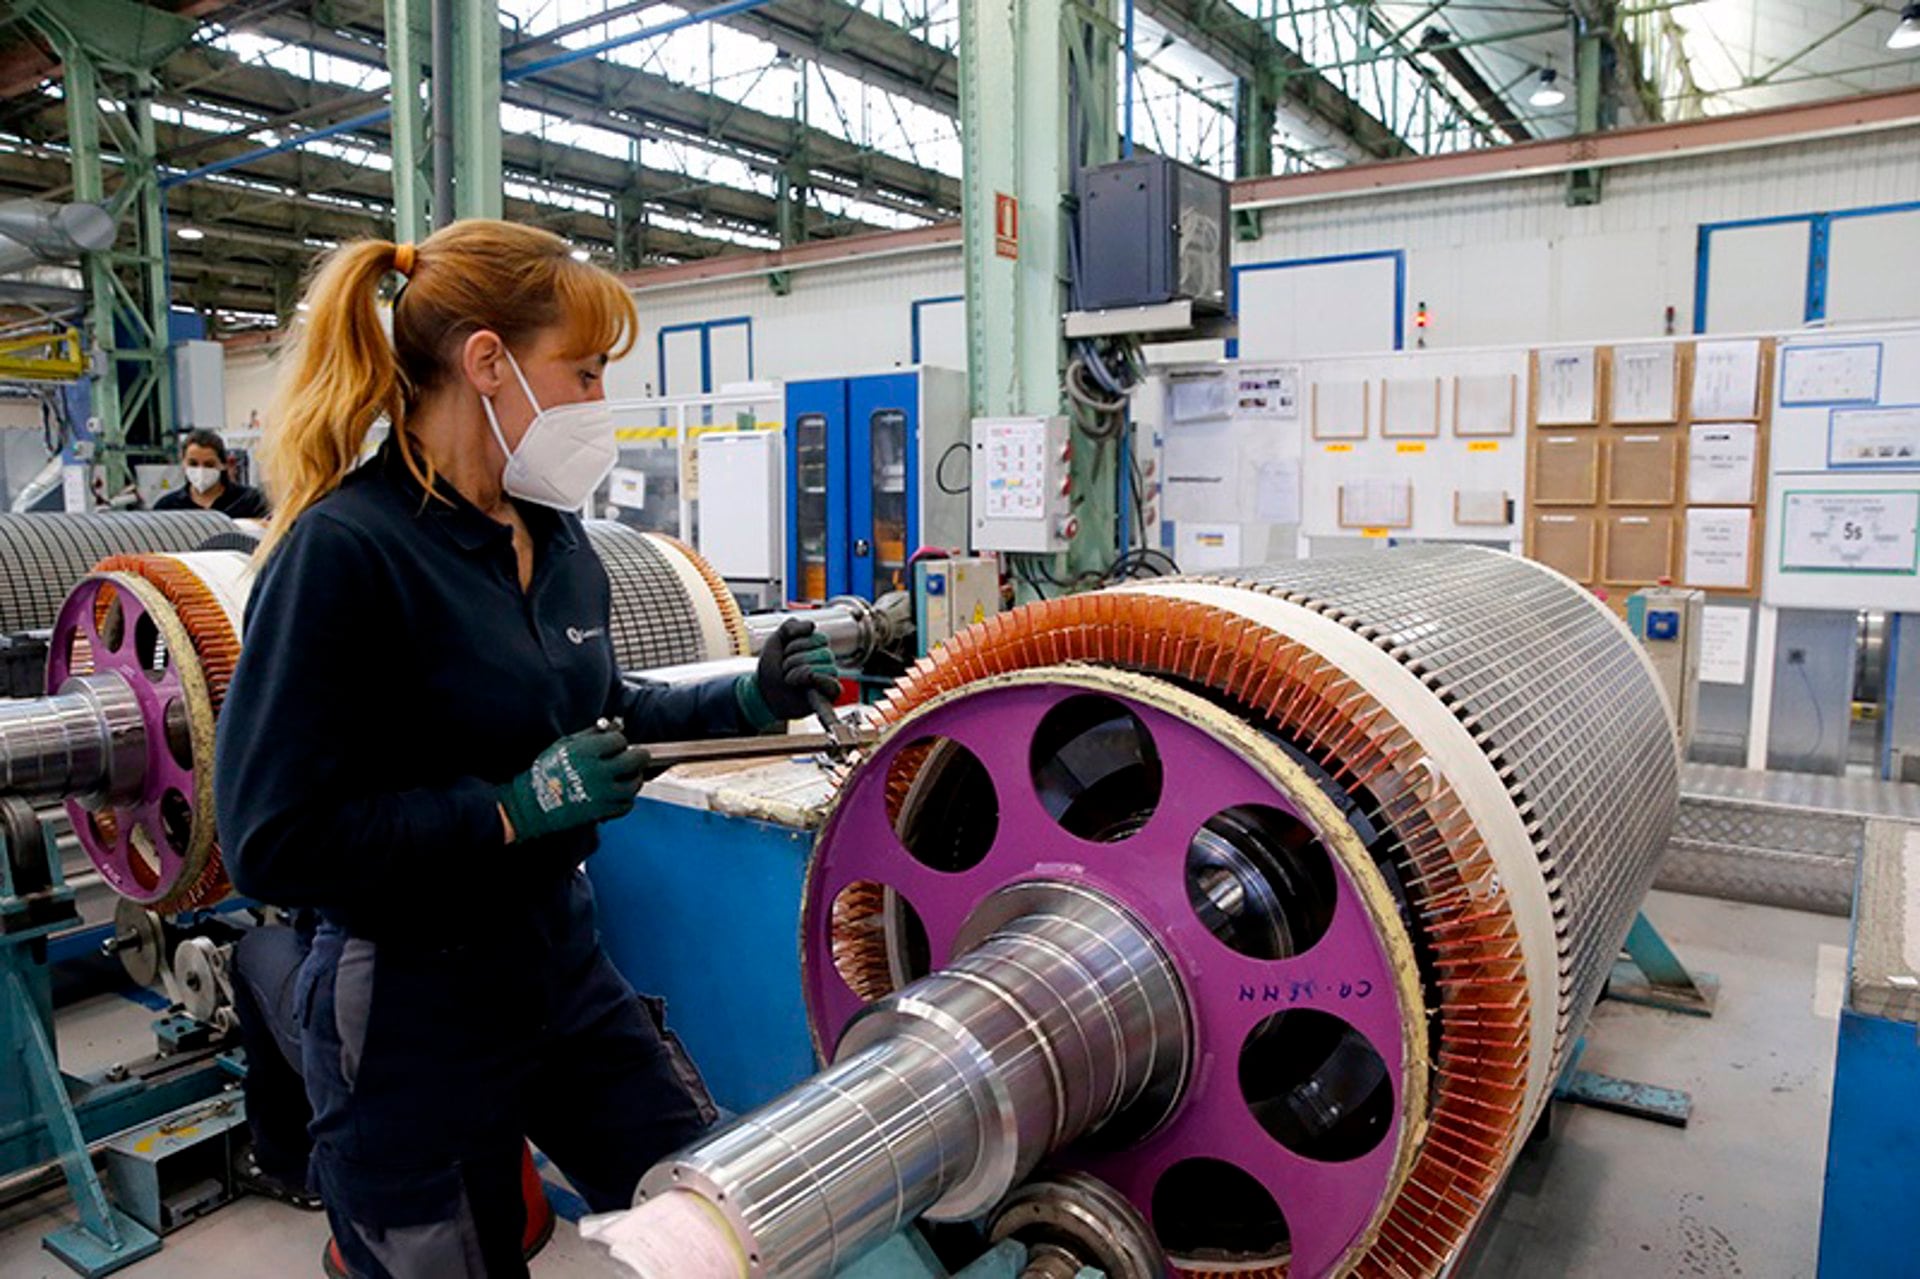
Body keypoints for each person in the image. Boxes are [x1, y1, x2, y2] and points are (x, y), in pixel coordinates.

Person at [213, 220, 841, 1279]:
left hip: (558, 959)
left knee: (701, 1204)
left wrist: (742, 693)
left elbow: (601, 707)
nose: (600, 402)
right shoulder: (349, 553)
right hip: (407, 996)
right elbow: (270, 839)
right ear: (489, 361)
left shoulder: (556, 539)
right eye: (586, 371)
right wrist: (501, 812)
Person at [153, 427, 271, 516]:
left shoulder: (251, 501)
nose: (201, 470)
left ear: (223, 464)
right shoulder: (167, 508)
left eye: (209, 464)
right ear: (183, 463)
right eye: (193, 464)